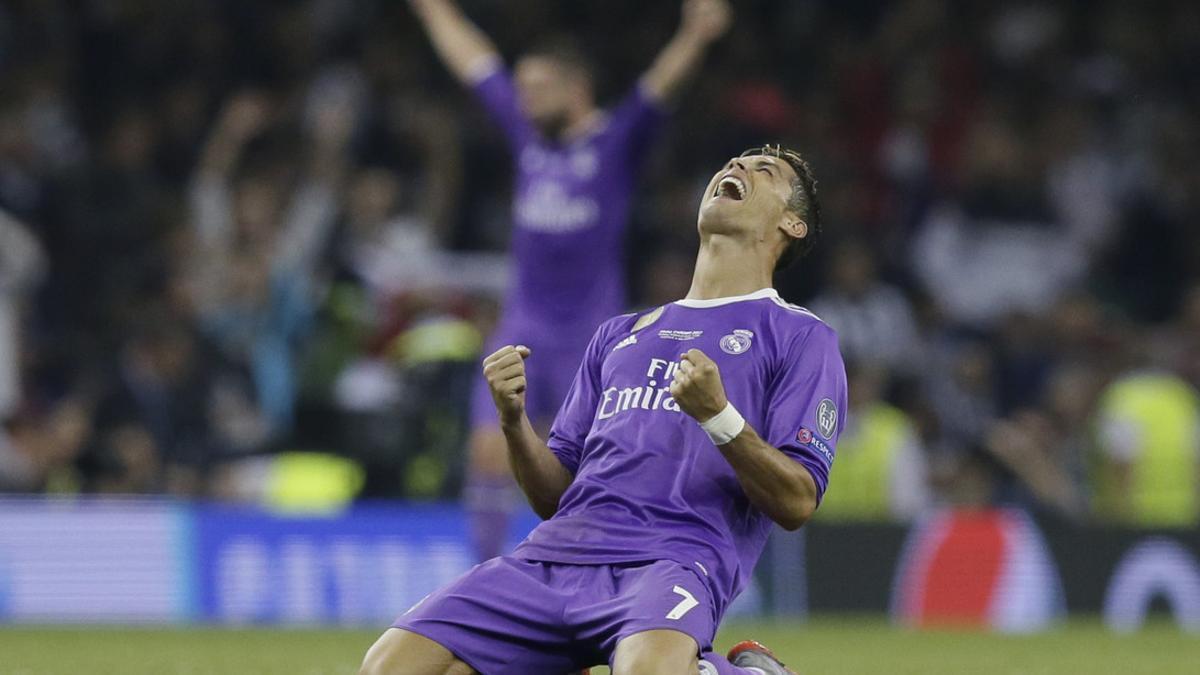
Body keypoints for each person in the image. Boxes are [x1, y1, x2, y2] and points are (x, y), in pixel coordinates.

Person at [360, 145, 845, 674]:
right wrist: (514, 421)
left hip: (671, 561)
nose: (735, 168)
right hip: (552, 558)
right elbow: (554, 496)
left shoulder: (799, 337)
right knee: (390, 667)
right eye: (732, 162)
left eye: (763, 170)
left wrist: (719, 417)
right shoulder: (619, 334)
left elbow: (797, 501)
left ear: (792, 224)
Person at [408, 0, 734, 560]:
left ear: (575, 87)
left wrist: (695, 36)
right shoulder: (529, 137)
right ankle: (484, 583)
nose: (524, 99)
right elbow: (475, 62)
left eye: (537, 88)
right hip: (523, 324)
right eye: (523, 88)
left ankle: (590, 581)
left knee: (582, 471)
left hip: (590, 335)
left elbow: (658, 87)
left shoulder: (615, 142)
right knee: (489, 454)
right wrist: (433, 11)